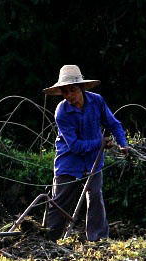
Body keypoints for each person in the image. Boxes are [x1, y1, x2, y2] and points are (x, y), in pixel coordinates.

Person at [42, 65, 128, 241]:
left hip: (93, 160)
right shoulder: (62, 112)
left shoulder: (97, 101)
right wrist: (101, 143)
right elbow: (74, 146)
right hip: (69, 161)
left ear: (81, 88)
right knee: (60, 202)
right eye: (65, 92)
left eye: (72, 90)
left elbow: (114, 124)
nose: (69, 96)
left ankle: (97, 240)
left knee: (95, 196)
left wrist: (122, 144)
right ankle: (48, 240)